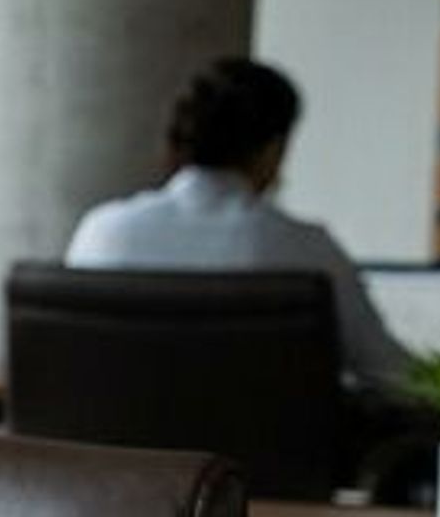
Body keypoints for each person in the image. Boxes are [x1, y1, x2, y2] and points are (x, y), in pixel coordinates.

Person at [63, 56, 416, 391]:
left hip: (117, 453)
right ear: (274, 149)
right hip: (264, 455)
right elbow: (388, 371)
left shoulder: (103, 231)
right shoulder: (306, 250)